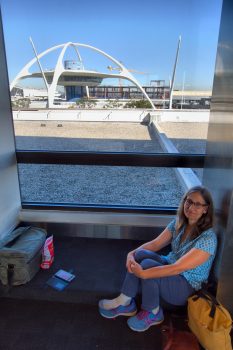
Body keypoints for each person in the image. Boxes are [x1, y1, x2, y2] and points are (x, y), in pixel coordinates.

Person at [98, 186, 217, 332]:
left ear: (205, 209)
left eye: (197, 204)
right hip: (172, 266)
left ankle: (152, 312)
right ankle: (125, 301)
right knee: (140, 255)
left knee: (147, 265)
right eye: (189, 201)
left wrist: (144, 274)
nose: (191, 207)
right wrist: (131, 254)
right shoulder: (179, 223)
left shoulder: (208, 239)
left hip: (187, 286)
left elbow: (178, 268)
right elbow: (155, 244)